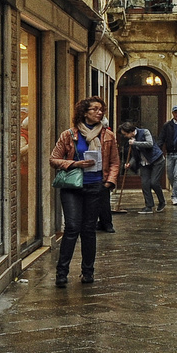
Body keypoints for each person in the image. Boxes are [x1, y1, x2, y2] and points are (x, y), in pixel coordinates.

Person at [50, 97, 121, 286]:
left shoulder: (108, 135)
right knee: (72, 227)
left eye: (101, 110)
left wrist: (109, 182)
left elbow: (114, 161)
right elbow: (54, 159)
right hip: (73, 187)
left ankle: (88, 272)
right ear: (84, 112)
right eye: (95, 109)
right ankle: (61, 273)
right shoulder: (69, 135)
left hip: (96, 186)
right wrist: (75, 163)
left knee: (89, 230)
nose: (99, 112)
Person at [122, 121, 165, 212]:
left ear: (131, 131)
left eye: (125, 134)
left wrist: (135, 143)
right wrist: (130, 163)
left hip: (157, 160)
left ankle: (162, 201)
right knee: (145, 183)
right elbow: (135, 155)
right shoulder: (131, 141)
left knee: (154, 182)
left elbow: (150, 144)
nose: (125, 136)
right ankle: (149, 206)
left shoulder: (145, 132)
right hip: (144, 163)